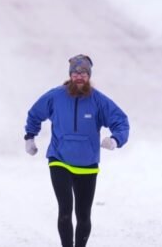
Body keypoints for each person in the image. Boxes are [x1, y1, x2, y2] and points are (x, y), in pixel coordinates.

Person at [24, 54, 130, 247]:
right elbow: (35, 113)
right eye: (75, 73)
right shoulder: (55, 97)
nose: (79, 77)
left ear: (89, 76)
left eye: (83, 73)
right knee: (65, 211)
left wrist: (115, 140)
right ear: (70, 75)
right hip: (59, 159)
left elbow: (121, 121)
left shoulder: (98, 101)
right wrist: (30, 136)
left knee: (83, 216)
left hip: (87, 164)